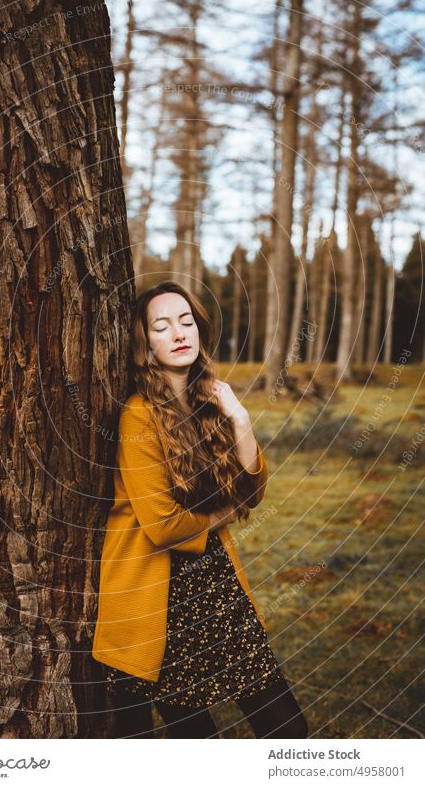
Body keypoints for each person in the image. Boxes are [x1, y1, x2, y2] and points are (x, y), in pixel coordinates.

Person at [92, 280, 308, 739]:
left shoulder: (209, 400)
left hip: (216, 583)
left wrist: (240, 418)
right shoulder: (138, 414)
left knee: (287, 727)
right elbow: (163, 527)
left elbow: (252, 491)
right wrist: (220, 517)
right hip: (159, 595)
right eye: (161, 325)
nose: (178, 333)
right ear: (143, 342)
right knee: (195, 743)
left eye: (186, 321)